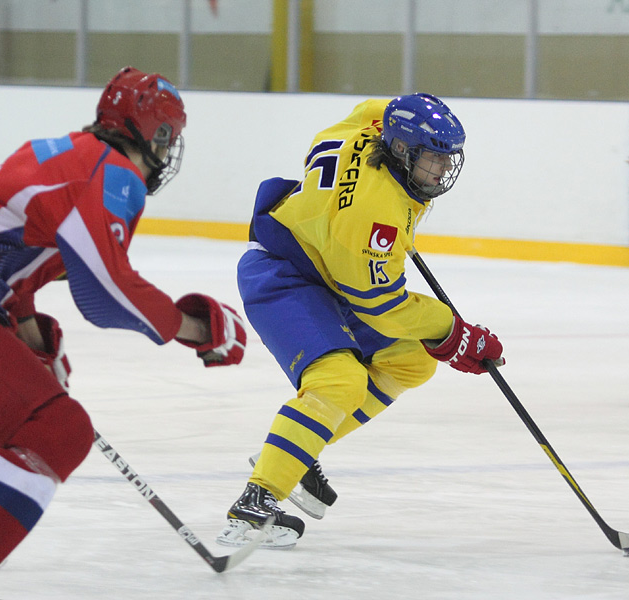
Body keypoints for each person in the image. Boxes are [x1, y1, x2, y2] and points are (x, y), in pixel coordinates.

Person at [0, 66, 246, 600]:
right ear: (156, 134)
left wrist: (28, 338)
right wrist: (197, 328)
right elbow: (105, 288)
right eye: (169, 137)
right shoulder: (112, 173)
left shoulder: (70, 152)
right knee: (58, 431)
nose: (168, 149)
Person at [215, 93, 505, 549]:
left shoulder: (372, 123)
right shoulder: (376, 216)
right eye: (434, 159)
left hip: (329, 268)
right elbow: (383, 307)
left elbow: (370, 113)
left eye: (448, 159)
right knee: (339, 381)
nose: (443, 171)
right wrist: (453, 332)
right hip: (284, 273)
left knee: (411, 361)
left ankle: (296, 450)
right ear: (404, 151)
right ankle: (253, 508)